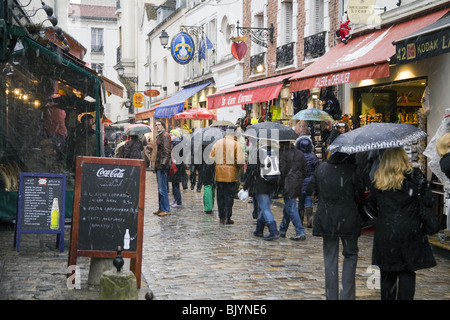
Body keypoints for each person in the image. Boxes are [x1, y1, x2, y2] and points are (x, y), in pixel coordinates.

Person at [368, 148, 436, 300]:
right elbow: (429, 200)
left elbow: (371, 204)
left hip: (386, 231)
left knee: (387, 273)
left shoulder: (379, 180)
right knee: (407, 271)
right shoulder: (415, 177)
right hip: (409, 230)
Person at [306, 151, 364, 300]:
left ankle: (331, 296)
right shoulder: (352, 169)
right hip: (348, 218)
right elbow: (359, 194)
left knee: (330, 257)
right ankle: (347, 296)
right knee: (350, 255)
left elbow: (310, 189)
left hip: (328, 218)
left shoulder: (322, 168)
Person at [243, 140, 281, 241]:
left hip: (261, 185)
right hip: (271, 185)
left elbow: (252, 171)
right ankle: (259, 229)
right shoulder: (274, 153)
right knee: (263, 207)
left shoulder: (258, 153)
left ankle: (273, 231)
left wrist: (246, 186)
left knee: (265, 209)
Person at [209, 126, 244, 224]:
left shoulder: (217, 143)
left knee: (220, 196)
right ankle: (227, 217)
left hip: (219, 173)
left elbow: (211, 158)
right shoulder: (236, 144)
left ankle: (221, 216)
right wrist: (236, 168)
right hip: (231, 174)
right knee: (229, 196)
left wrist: (218, 165)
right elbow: (240, 161)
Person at [278, 141, 307, 241]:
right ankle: (282, 229)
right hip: (297, 182)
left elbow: (282, 170)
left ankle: (300, 231)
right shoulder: (300, 153)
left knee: (291, 208)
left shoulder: (282, 153)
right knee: (288, 207)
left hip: (288, 182)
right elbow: (305, 169)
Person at [295, 135, 319, 227]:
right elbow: (316, 169)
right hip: (310, 181)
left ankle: (300, 221)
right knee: (308, 201)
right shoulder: (313, 156)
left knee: (301, 201)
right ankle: (309, 221)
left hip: (300, 181)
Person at [151, 120, 172, 217]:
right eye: (156, 125)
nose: (157, 126)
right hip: (159, 165)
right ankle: (161, 208)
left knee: (162, 188)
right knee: (160, 188)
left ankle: (166, 209)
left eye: (159, 125)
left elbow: (167, 151)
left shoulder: (165, 135)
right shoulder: (160, 135)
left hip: (162, 166)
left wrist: (163, 164)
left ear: (163, 126)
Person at [168, 129, 184, 208]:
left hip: (176, 167)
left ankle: (178, 202)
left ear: (176, 136)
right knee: (174, 184)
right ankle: (175, 200)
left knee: (175, 185)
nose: (170, 137)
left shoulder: (176, 143)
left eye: (172, 135)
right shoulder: (175, 143)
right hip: (176, 166)